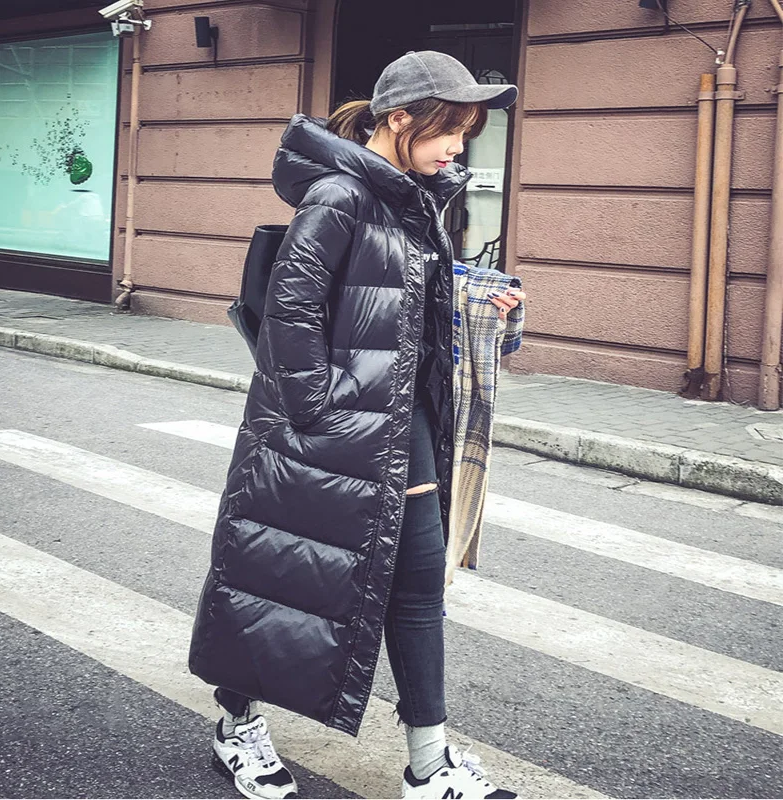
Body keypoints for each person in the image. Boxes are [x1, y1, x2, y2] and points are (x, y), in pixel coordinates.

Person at [189, 50, 526, 800]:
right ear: (397, 119)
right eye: (448, 129)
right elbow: (290, 312)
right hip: (336, 432)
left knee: (414, 588)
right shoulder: (339, 195)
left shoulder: (413, 198)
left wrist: (477, 295)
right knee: (279, 579)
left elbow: (396, 300)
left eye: (467, 133)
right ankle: (235, 727)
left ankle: (430, 767)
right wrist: (324, 415)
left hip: (407, 425)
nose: (456, 148)